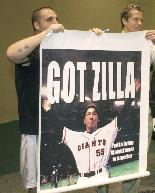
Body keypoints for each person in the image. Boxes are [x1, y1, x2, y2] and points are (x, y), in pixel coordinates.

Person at [90, 4, 155, 193]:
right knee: (105, 156)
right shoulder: (109, 41)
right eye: (135, 19)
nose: (140, 23)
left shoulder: (147, 44)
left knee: (136, 158)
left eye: (141, 19)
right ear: (124, 21)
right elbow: (88, 55)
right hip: (111, 112)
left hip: (140, 111)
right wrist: (92, 36)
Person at [6, 7, 64, 193]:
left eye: (56, 18)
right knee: (35, 184)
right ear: (37, 25)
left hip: (56, 124)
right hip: (34, 126)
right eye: (49, 19)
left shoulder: (62, 49)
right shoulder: (33, 50)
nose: (55, 22)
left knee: (58, 179)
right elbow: (12, 53)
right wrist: (47, 34)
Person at [42, 80, 141, 184]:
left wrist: (131, 95)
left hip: (101, 175)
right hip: (82, 179)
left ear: (98, 118)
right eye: (88, 114)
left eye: (94, 114)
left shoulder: (107, 131)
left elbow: (123, 115)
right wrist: (49, 111)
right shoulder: (75, 136)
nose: (91, 116)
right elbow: (58, 127)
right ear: (84, 120)